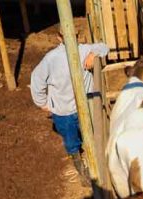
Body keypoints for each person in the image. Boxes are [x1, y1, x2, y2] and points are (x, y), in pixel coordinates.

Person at [30, 28, 109, 185]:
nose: (71, 38)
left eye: (74, 35)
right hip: (63, 109)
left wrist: (93, 55)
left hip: (84, 106)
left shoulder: (84, 50)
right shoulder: (51, 58)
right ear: (59, 38)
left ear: (78, 36)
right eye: (66, 36)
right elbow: (37, 79)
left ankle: (94, 160)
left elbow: (104, 47)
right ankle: (80, 167)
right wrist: (42, 102)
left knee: (90, 134)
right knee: (71, 140)